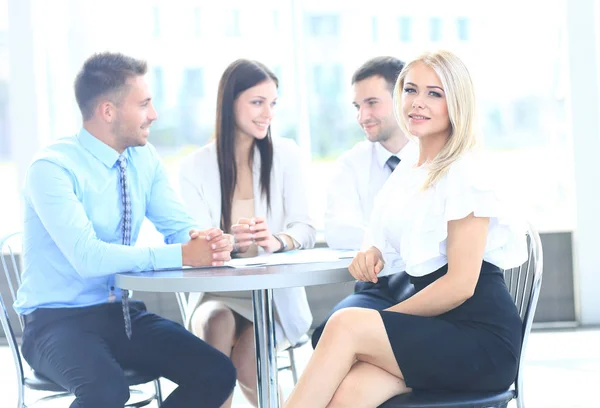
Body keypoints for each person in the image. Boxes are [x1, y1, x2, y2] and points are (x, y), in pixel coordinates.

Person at [285, 50, 528, 407]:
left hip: (479, 341)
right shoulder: (412, 166)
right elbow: (391, 237)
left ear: (456, 103)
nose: (417, 102)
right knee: (347, 395)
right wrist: (372, 251)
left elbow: (460, 286)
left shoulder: (465, 172)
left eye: (434, 93)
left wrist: (379, 324)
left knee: (346, 325)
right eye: (411, 90)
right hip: (437, 331)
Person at [13, 52, 237, 408]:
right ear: (108, 111)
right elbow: (87, 257)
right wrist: (182, 255)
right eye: (145, 104)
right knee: (106, 392)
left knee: (217, 371)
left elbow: (177, 227)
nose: (154, 114)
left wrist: (207, 241)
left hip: (120, 315)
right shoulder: (52, 168)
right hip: (56, 323)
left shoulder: (143, 158)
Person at [179, 59, 316, 407]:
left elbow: (305, 227)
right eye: (257, 102)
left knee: (246, 362)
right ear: (230, 103)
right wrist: (225, 243)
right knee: (216, 322)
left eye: (272, 103)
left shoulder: (287, 154)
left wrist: (276, 241)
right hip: (216, 291)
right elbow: (190, 239)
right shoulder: (195, 166)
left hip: (270, 298)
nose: (267, 113)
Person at [311, 56, 417, 348]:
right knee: (326, 337)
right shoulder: (352, 163)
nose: (362, 116)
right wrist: (393, 250)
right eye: (358, 107)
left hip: (427, 285)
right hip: (377, 286)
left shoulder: (432, 157)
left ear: (402, 98)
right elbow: (338, 231)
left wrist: (376, 245)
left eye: (372, 103)